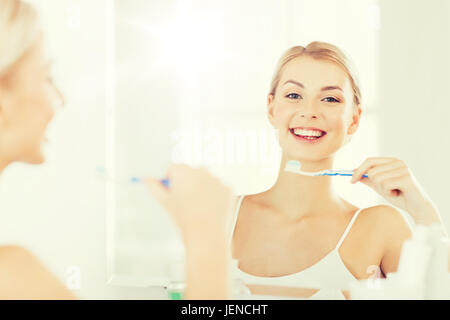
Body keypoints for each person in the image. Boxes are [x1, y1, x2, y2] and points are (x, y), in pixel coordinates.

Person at [148, 42, 448, 300]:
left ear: (354, 119)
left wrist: (422, 209)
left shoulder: (381, 226)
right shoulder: (219, 217)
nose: (310, 111)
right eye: (294, 95)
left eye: (330, 98)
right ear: (271, 108)